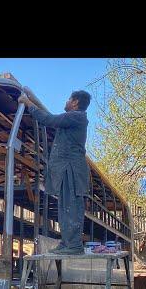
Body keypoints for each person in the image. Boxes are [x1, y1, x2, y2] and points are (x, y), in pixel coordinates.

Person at [18, 90, 91, 255]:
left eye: (68, 98)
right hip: (68, 169)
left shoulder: (76, 116)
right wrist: (31, 97)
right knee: (65, 207)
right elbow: (51, 117)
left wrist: (28, 103)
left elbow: (49, 119)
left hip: (71, 169)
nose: (66, 101)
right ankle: (67, 243)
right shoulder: (72, 119)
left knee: (71, 207)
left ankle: (73, 246)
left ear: (75, 102)